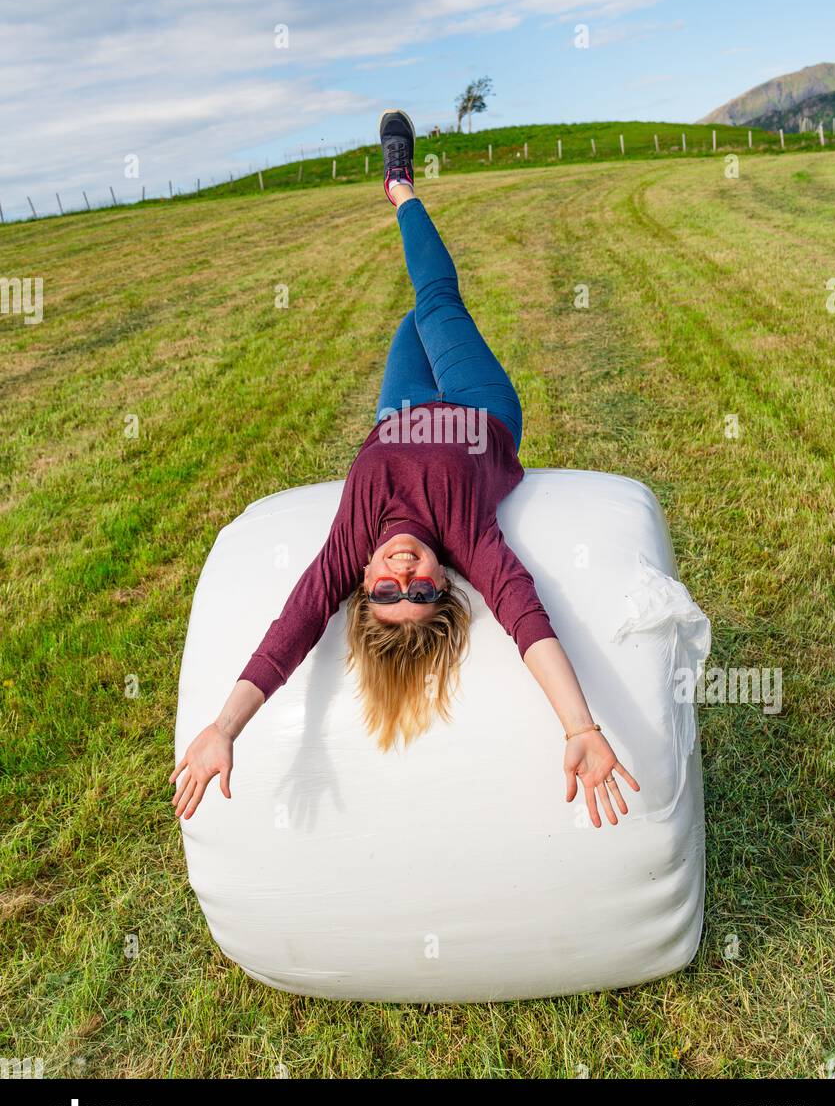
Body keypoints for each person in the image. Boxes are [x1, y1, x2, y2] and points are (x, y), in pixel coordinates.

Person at [172, 111, 639, 827]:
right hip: (480, 410)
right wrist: (580, 727)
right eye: (420, 590)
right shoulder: (468, 541)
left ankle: (410, 229)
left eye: (387, 590)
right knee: (436, 301)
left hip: (401, 410)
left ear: (362, 584)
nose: (402, 572)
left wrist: (225, 728)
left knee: (410, 320)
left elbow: (290, 630)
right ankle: (401, 187)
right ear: (444, 582)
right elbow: (526, 620)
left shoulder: (351, 543)